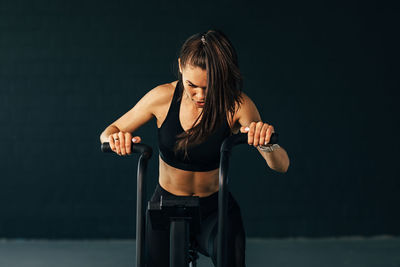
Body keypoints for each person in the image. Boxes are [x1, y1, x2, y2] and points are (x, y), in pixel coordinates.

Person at [100, 29, 289, 267]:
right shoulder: (162, 97)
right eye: (192, 86)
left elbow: (281, 165)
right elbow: (108, 132)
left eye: (209, 87)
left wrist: (268, 143)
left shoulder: (236, 105)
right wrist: (116, 140)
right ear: (180, 67)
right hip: (165, 206)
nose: (200, 95)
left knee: (231, 256)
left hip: (213, 209)